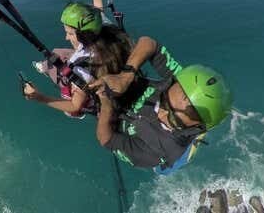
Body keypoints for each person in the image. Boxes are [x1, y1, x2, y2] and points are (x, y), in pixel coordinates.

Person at [90, 36, 232, 173]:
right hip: (129, 103)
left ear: (196, 127)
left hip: (154, 148)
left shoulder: (154, 153)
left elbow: (106, 139)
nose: (160, 113)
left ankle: (186, 149)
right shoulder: (182, 81)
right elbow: (149, 43)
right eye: (163, 100)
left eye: (174, 119)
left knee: (165, 168)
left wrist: (106, 104)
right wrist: (126, 75)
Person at [22, 0, 134, 118]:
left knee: (58, 63)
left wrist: (39, 97)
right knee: (57, 52)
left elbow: (75, 106)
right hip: (110, 64)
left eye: (69, 33)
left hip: (90, 86)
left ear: (83, 36)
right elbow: (98, 8)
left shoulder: (80, 67)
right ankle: (46, 67)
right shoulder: (107, 30)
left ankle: (49, 71)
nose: (66, 37)